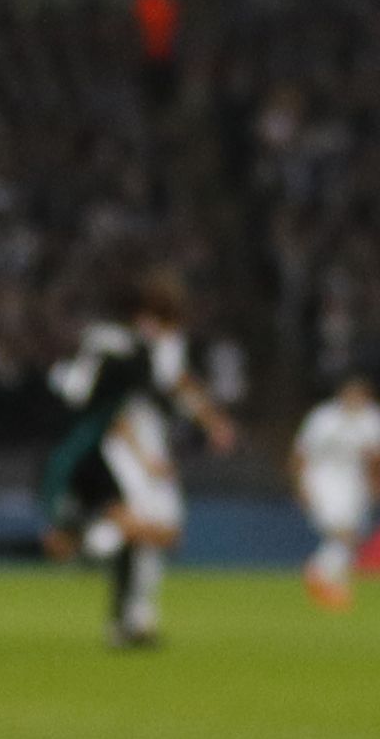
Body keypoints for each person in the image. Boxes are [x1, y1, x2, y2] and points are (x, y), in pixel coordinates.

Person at [44, 272, 236, 652]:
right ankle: (108, 579)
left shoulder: (154, 345)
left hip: (146, 444)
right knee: (144, 527)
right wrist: (145, 454)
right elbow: (115, 406)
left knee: (158, 531)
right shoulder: (125, 347)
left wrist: (212, 422)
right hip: (125, 446)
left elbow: (177, 384)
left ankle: (132, 609)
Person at [290, 372, 380, 611]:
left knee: (352, 536)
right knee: (343, 532)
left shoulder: (374, 420)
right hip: (322, 478)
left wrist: (378, 481)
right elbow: (301, 453)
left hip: (354, 481)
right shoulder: (323, 418)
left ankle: (325, 576)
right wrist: (300, 485)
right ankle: (321, 574)